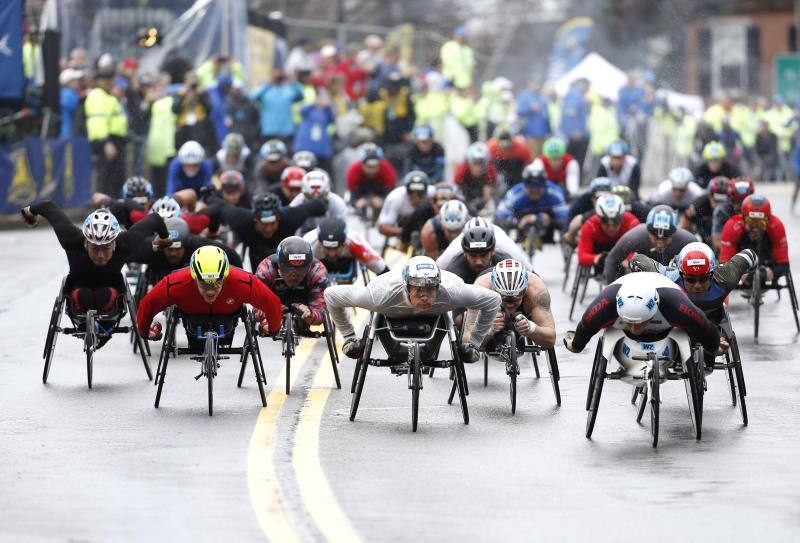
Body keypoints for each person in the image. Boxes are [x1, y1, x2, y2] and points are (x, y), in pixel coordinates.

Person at [325, 256, 501, 363]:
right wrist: (349, 337)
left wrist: (475, 343)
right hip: (390, 310)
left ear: (439, 286)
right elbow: (331, 295)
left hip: (436, 317)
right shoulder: (381, 294)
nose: (425, 297)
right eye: (418, 290)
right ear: (406, 287)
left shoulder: (453, 291)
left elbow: (493, 300)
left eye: (431, 289)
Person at [20, 203, 170, 321]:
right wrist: (28, 213)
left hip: (111, 292)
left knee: (103, 296)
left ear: (114, 244)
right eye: (94, 248)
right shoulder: (71, 238)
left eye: (106, 248)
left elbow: (155, 219)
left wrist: (165, 238)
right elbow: (48, 207)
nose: (100, 255)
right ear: (85, 243)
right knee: (84, 296)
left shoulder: (126, 242)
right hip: (78, 290)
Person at [563, 272, 722, 369]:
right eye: (629, 322)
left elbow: (705, 327)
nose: (633, 328)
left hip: (666, 290)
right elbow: (585, 326)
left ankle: (677, 356)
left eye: (640, 322)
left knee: (696, 330)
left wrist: (713, 347)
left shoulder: (676, 306)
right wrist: (576, 345)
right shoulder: (606, 305)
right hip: (623, 285)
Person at [136, 246, 282, 348]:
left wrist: (273, 328)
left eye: (217, 283)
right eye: (204, 284)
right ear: (194, 277)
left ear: (225, 276)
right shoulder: (175, 283)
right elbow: (148, 304)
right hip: (191, 318)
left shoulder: (242, 281)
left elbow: (272, 303)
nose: (211, 291)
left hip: (227, 318)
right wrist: (144, 331)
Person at [631, 242, 757, 324]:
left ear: (712, 274)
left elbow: (750, 255)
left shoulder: (726, 276)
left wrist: (750, 276)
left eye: (703, 279)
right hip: (676, 320)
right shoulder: (667, 277)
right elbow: (637, 260)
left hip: (713, 318)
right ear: (680, 274)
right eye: (690, 279)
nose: (697, 285)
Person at [203, 192, 327, 271]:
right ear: (255, 219)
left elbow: (316, 205)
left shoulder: (290, 217)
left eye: (272, 223)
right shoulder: (241, 220)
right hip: (256, 258)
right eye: (263, 224)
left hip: (287, 259)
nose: (268, 229)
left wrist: (323, 201)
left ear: (279, 218)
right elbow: (220, 208)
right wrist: (209, 195)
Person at [462, 259, 556, 349]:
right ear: (493, 290)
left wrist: (531, 328)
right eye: (504, 299)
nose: (510, 305)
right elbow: (467, 342)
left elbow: (551, 339)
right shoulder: (480, 289)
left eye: (515, 300)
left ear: (525, 291)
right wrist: (488, 330)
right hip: (488, 306)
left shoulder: (536, 290)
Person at [603, 204, 696, 284]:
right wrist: (610, 286)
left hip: (673, 279)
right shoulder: (635, 236)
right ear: (648, 232)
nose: (660, 244)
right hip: (642, 279)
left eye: (665, 238)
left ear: (673, 234)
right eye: (656, 238)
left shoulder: (687, 240)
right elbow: (612, 259)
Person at [139, 217, 243, 287]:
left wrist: (239, 283)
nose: (173, 254)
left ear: (186, 245)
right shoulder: (151, 247)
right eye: (170, 249)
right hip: (160, 276)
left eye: (178, 249)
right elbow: (127, 251)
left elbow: (232, 256)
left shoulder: (198, 245)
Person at [255, 237, 329, 329]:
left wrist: (310, 315)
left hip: (305, 306)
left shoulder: (318, 271)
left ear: (309, 267)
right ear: (278, 264)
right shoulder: (266, 270)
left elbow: (320, 313)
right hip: (273, 305)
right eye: (288, 268)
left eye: (301, 269)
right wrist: (272, 313)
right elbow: (257, 308)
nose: (293, 275)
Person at [720, 194, 789, 284]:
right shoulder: (731, 227)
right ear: (743, 218)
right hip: (740, 265)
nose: (755, 228)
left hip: (767, 264)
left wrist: (773, 272)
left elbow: (784, 265)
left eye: (761, 222)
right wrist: (739, 274)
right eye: (751, 221)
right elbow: (724, 263)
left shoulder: (776, 226)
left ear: (768, 220)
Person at [440, 217, 530, 285]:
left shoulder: (503, 245)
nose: (478, 262)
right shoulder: (455, 262)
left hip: (495, 235)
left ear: (493, 250)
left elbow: (530, 278)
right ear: (465, 252)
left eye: (483, 255)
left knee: (525, 268)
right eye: (473, 255)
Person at [494, 161, 569, 242]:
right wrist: (516, 223)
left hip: (548, 234)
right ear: (524, 184)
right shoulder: (514, 194)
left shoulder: (555, 192)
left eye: (538, 188)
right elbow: (498, 219)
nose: (535, 190)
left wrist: (551, 221)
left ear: (544, 184)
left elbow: (566, 219)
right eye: (531, 189)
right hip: (521, 233)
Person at [85, 67, 128, 196]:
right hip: (108, 142)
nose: (111, 83)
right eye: (108, 80)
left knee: (116, 180)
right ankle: (105, 211)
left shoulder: (107, 96)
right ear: (101, 81)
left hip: (115, 141)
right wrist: (106, 143)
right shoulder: (97, 95)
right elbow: (97, 122)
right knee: (106, 180)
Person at [305, 217, 389, 278]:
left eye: (335, 249)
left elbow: (383, 271)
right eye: (327, 248)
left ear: (344, 243)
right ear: (320, 243)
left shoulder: (356, 243)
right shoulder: (308, 243)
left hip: (345, 263)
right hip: (317, 263)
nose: (331, 254)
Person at [577, 194, 640, 273]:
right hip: (601, 255)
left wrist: (629, 260)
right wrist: (597, 258)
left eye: (616, 221)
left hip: (624, 254)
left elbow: (637, 251)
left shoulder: (632, 223)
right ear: (599, 218)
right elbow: (581, 256)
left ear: (622, 217)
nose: (611, 227)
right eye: (605, 221)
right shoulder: (590, 225)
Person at [249, 68, 304, 150]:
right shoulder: (265, 91)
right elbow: (252, 97)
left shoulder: (288, 90)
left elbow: (300, 96)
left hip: (286, 132)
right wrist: (268, 83)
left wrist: (293, 81)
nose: (278, 77)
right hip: (269, 131)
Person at [377, 170, 436, 242]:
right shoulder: (395, 197)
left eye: (420, 195)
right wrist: (405, 232)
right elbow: (382, 227)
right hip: (404, 230)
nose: (416, 198)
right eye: (412, 195)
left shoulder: (434, 194)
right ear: (407, 191)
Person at [400, 184, 457, 254]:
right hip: (426, 247)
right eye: (440, 206)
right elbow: (405, 234)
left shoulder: (462, 208)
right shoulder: (422, 210)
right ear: (433, 202)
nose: (442, 211)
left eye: (446, 207)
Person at [289, 169, 347, 235]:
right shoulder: (297, 203)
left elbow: (340, 229)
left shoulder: (337, 203)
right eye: (311, 197)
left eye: (320, 197)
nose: (316, 204)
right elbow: (292, 230)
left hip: (329, 236)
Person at [346, 143, 397, 216]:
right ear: (362, 164)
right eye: (369, 167)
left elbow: (391, 195)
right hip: (361, 193)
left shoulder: (388, 170)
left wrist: (383, 201)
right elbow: (352, 197)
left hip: (380, 193)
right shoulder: (354, 171)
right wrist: (356, 202)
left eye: (375, 166)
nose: (372, 170)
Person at [681, 176, 728, 246]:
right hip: (703, 238)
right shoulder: (699, 205)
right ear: (709, 196)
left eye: (722, 201)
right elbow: (684, 222)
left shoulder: (733, 207)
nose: (719, 205)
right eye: (716, 200)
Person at [711, 176, 754, 252]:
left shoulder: (760, 208)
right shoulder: (722, 211)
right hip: (731, 254)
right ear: (730, 198)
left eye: (746, 201)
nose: (741, 207)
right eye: (737, 201)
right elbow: (717, 241)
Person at [454, 142, 498, 215]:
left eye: (481, 164)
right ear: (469, 163)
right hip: (467, 193)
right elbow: (458, 193)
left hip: (482, 195)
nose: (479, 168)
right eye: (475, 163)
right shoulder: (461, 172)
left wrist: (482, 204)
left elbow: (488, 195)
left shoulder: (491, 171)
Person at [516, 81, 551, 157]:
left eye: (538, 85)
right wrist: (531, 109)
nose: (537, 87)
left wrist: (549, 130)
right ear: (530, 85)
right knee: (531, 155)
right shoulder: (524, 95)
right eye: (535, 84)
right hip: (529, 132)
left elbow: (546, 114)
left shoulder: (542, 96)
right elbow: (519, 111)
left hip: (543, 132)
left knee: (542, 155)